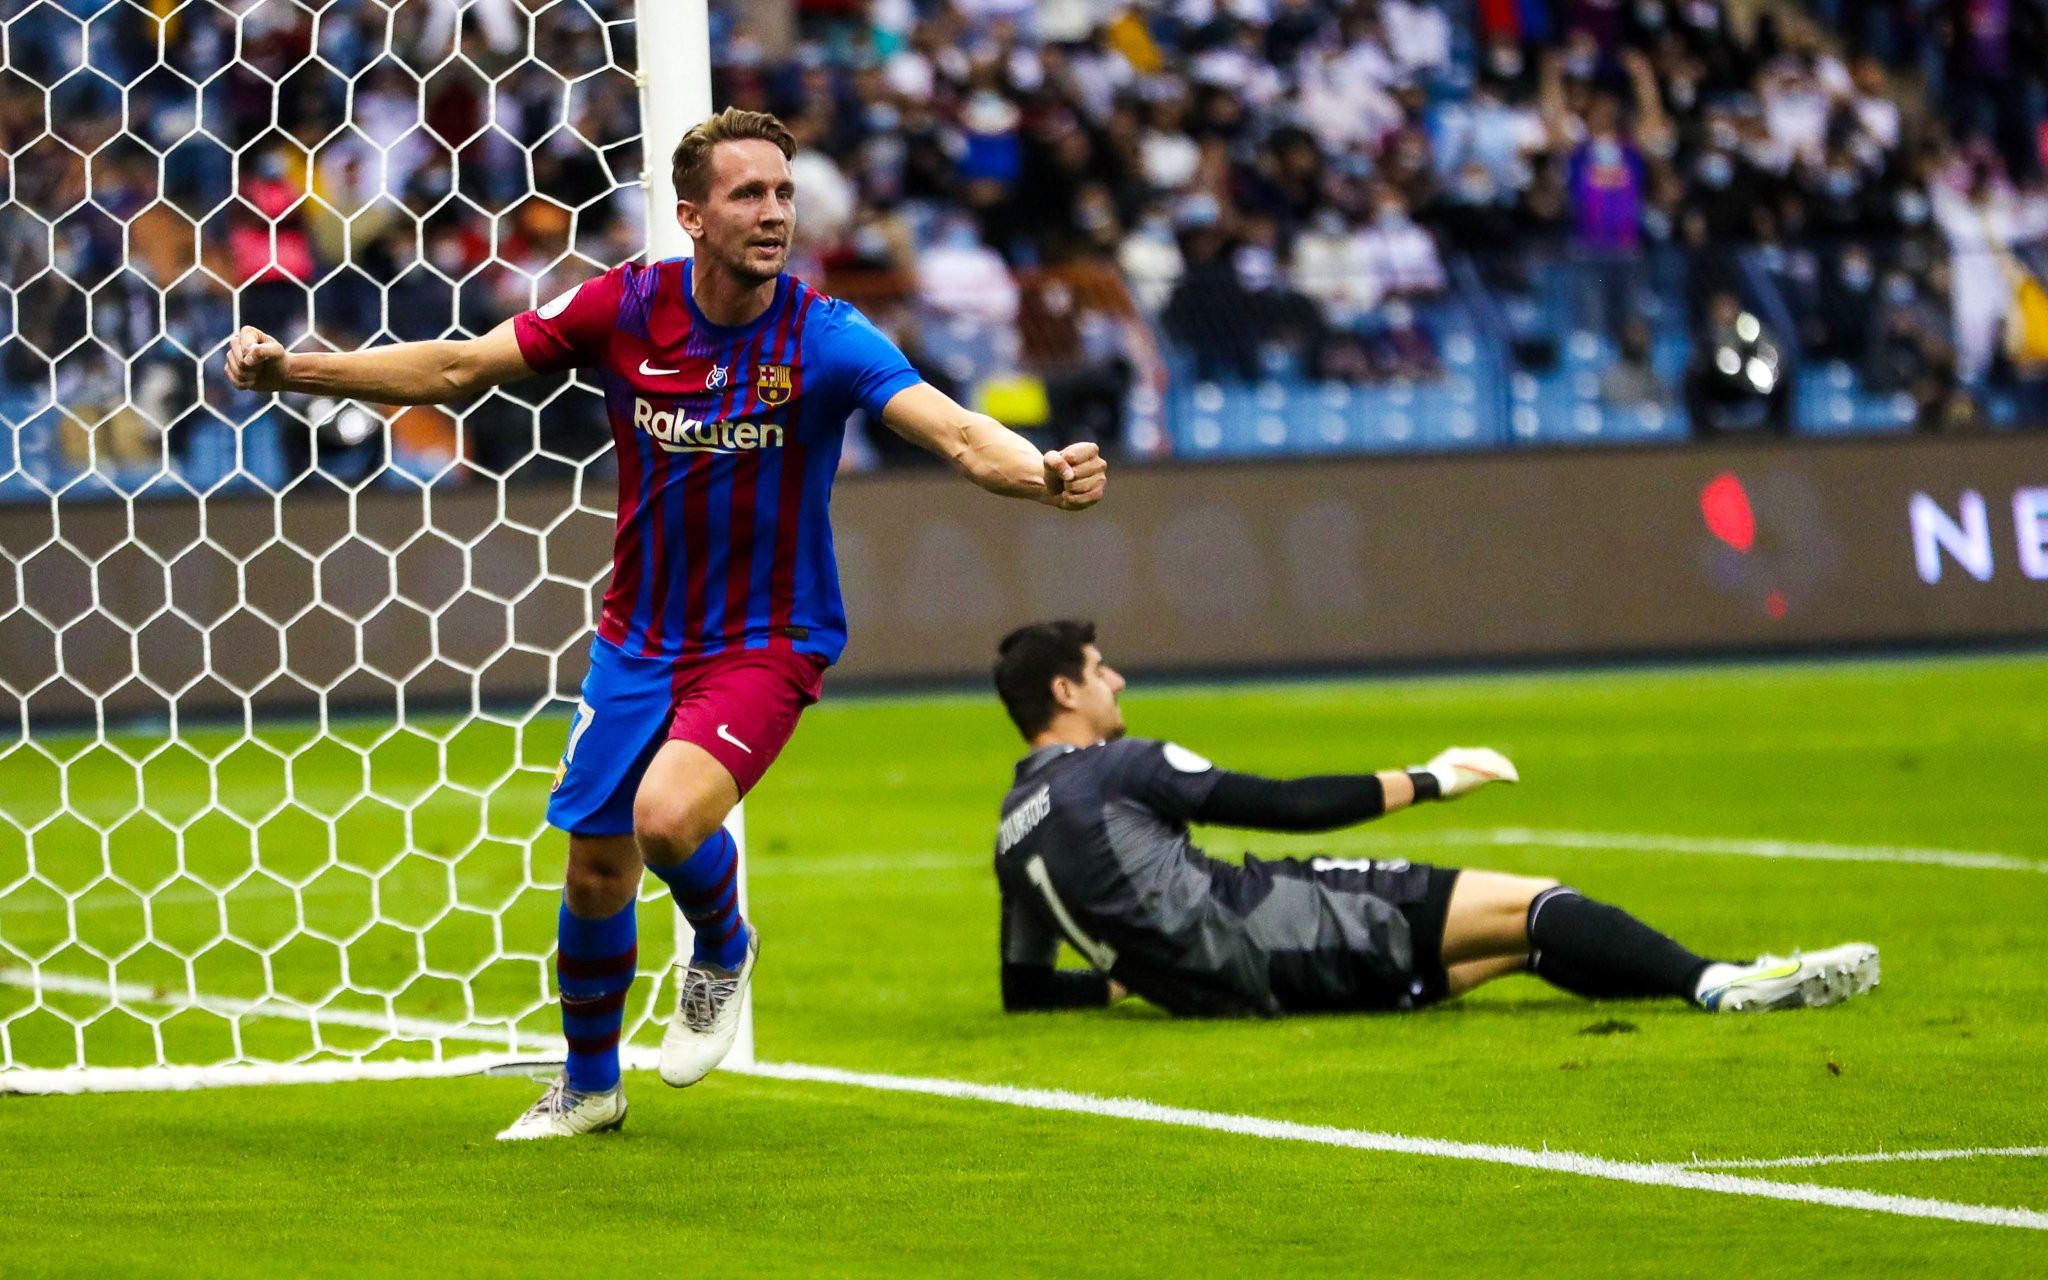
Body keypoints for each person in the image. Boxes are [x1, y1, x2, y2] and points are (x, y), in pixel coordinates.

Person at [225, 108, 1110, 1139]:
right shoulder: (625, 307)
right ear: (690, 215)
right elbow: (461, 368)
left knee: (664, 818)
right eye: (747, 194)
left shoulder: (823, 335)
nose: (774, 212)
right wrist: (295, 370)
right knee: (595, 865)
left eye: (782, 192)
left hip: (765, 639)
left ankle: (723, 943)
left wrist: (1038, 473)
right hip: (637, 638)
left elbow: (953, 429)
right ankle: (591, 1083)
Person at [988, 621, 1878, 1019]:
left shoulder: (1011, 829)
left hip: (1216, 990)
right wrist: (1431, 778)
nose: (1120, 682)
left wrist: (1133, 978)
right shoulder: (1119, 768)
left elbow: (1025, 989)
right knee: (1534, 902)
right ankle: (1721, 982)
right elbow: (1287, 805)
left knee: (1519, 952)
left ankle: (1698, 984)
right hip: (1273, 930)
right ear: (1066, 691)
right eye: (1103, 670)